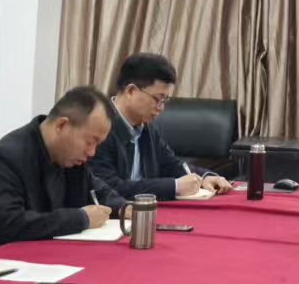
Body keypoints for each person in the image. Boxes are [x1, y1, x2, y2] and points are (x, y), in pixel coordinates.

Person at [0, 86, 129, 255]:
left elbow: (98, 190)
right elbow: (10, 223)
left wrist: (125, 208)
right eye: (90, 142)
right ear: (62, 125)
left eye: (98, 144)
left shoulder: (70, 157)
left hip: (48, 254)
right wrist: (81, 218)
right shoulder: (7, 157)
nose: (92, 152)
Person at [93, 53, 231, 202]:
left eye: (165, 100)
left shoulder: (147, 127)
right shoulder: (99, 127)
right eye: (157, 99)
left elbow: (170, 164)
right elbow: (110, 188)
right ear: (131, 91)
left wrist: (204, 177)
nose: (161, 108)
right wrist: (174, 186)